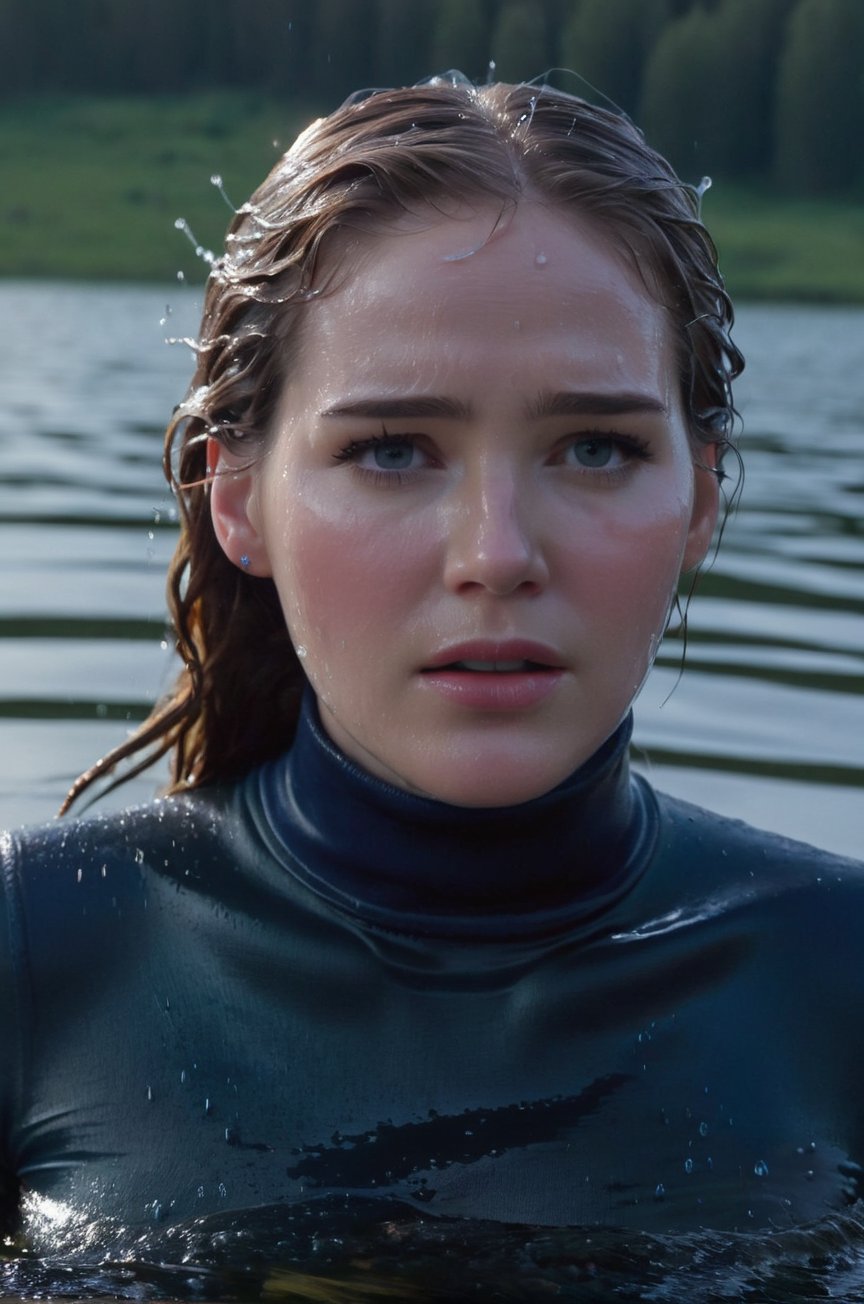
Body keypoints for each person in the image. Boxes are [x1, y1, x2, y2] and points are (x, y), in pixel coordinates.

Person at [1, 78, 863, 1257]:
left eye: (597, 447)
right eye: (393, 449)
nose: (496, 554)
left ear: (701, 498)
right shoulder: (39, 955)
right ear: (237, 495)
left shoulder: (839, 976)